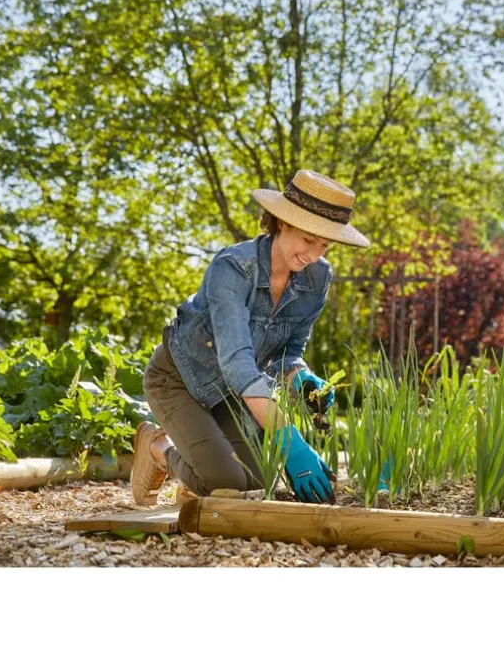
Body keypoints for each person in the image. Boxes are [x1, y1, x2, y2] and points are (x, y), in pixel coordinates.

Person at [131, 169, 370, 508]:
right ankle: (157, 448)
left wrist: (301, 378)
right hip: (179, 380)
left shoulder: (317, 278)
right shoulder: (232, 268)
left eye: (324, 245)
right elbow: (238, 364)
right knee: (224, 482)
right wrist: (290, 441)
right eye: (307, 239)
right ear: (282, 222)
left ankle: (196, 471)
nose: (314, 255)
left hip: (230, 394)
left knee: (257, 480)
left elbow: (289, 350)